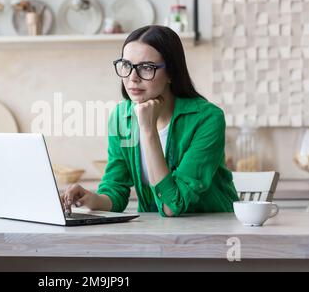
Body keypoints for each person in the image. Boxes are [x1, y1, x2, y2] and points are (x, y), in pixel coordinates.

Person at [61, 25, 239, 217]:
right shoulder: (122, 117)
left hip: (213, 231)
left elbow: (172, 205)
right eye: (127, 65)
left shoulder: (208, 119)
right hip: (156, 234)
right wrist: (90, 198)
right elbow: (115, 189)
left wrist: (148, 130)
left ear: (171, 72)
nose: (132, 78)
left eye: (146, 67)